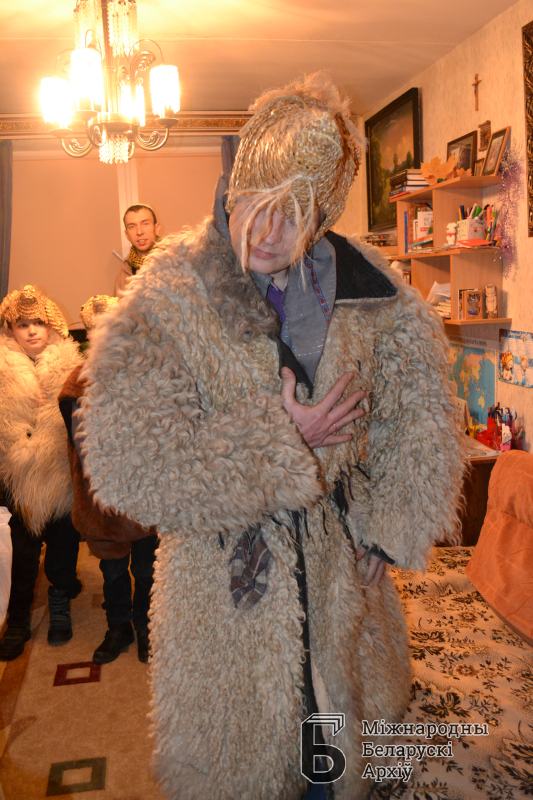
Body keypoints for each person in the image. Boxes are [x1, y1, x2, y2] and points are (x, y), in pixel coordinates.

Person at [78, 74, 464, 799]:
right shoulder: (169, 296)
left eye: (294, 213)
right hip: (223, 582)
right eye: (255, 204)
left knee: (329, 753)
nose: (267, 231)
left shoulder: (371, 290)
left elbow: (417, 415)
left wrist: (387, 529)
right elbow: (128, 461)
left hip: (341, 574)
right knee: (244, 764)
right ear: (232, 189)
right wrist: (280, 440)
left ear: (321, 215)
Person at [58, 294, 157, 664]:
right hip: (101, 497)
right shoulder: (78, 384)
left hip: (141, 494)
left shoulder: (143, 376)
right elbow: (80, 443)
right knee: (113, 572)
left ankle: (145, 625)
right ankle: (118, 627)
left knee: (146, 569)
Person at [0, 285, 83, 661]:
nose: (32, 331)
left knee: (63, 545)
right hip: (18, 474)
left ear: (51, 326)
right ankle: (18, 619)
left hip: (59, 472)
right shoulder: (4, 368)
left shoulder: (70, 365)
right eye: (22, 324)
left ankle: (60, 598)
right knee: (23, 550)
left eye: (38, 323)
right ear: (10, 330)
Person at [115, 204, 160, 295]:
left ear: (156, 229)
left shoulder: (173, 264)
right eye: (132, 227)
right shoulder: (124, 273)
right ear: (127, 235)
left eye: (145, 224)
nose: (139, 232)